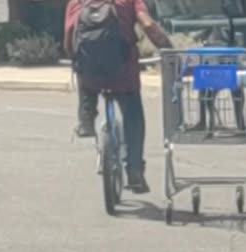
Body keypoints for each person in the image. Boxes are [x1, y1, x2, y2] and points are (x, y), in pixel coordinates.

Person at [64, 0, 173, 194]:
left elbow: (69, 36)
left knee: (83, 73)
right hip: (124, 73)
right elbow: (148, 25)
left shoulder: (78, 2)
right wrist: (169, 50)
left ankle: (86, 118)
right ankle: (135, 171)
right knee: (133, 116)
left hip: (91, 77)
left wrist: (75, 61)